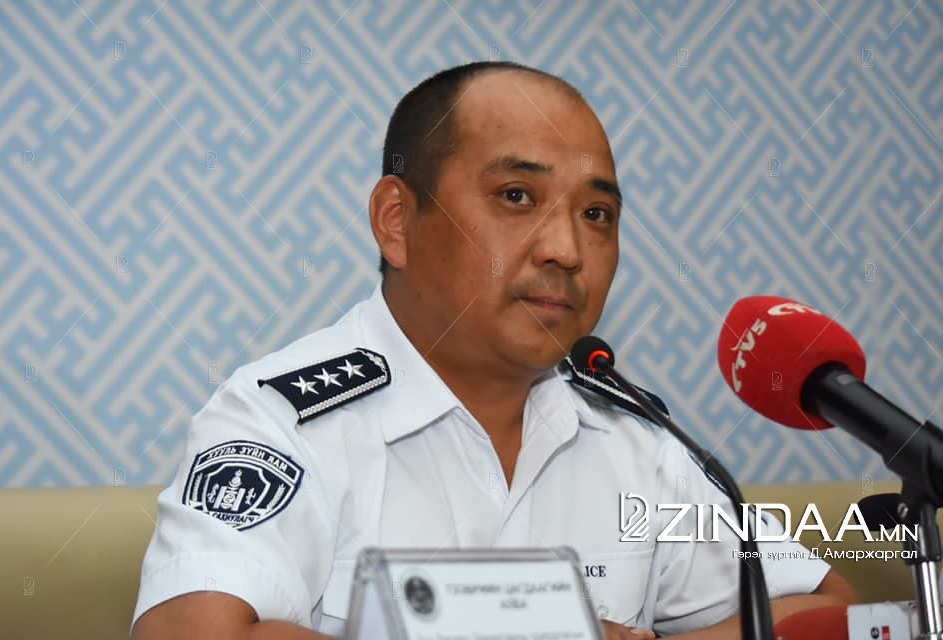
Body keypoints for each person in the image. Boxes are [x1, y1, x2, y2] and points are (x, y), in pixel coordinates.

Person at [130, 61, 856, 640]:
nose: (566, 248)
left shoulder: (638, 442)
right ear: (396, 221)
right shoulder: (279, 420)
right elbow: (189, 633)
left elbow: (825, 611)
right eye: (517, 197)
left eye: (596, 213)